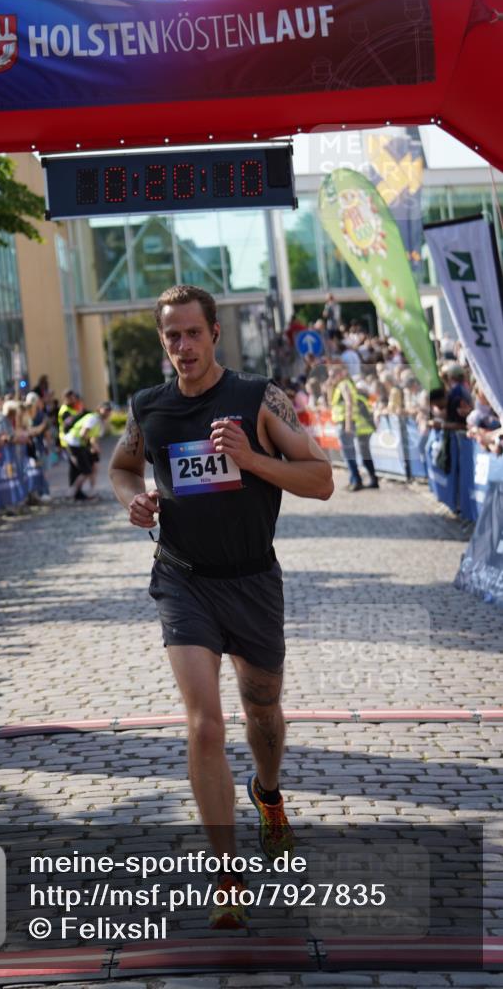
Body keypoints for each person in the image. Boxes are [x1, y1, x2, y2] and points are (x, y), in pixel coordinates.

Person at [109, 284, 333, 929]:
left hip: (253, 578)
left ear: (214, 335)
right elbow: (125, 466)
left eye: (192, 333)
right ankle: (226, 877)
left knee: (262, 706)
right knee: (205, 723)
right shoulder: (148, 407)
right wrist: (133, 497)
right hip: (183, 578)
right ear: (163, 342)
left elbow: (321, 480)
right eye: (170, 336)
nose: (182, 346)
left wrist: (251, 458)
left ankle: (268, 794)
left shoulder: (258, 397)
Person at [329, 362, 379, 491]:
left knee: (348, 453)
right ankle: (354, 479)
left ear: (340, 374)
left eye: (333, 375)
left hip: (345, 422)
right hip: (344, 422)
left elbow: (349, 402)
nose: (331, 378)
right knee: (348, 453)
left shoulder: (343, 384)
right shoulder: (341, 385)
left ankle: (356, 480)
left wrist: (348, 423)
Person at [66, 402, 112, 501]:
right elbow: (83, 434)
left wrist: (95, 447)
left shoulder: (101, 422)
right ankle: (71, 492)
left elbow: (94, 438)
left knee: (94, 466)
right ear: (99, 409)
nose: (107, 412)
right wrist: (92, 445)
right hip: (75, 443)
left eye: (109, 411)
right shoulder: (93, 418)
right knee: (86, 470)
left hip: (83, 444)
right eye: (106, 410)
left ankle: (92, 491)